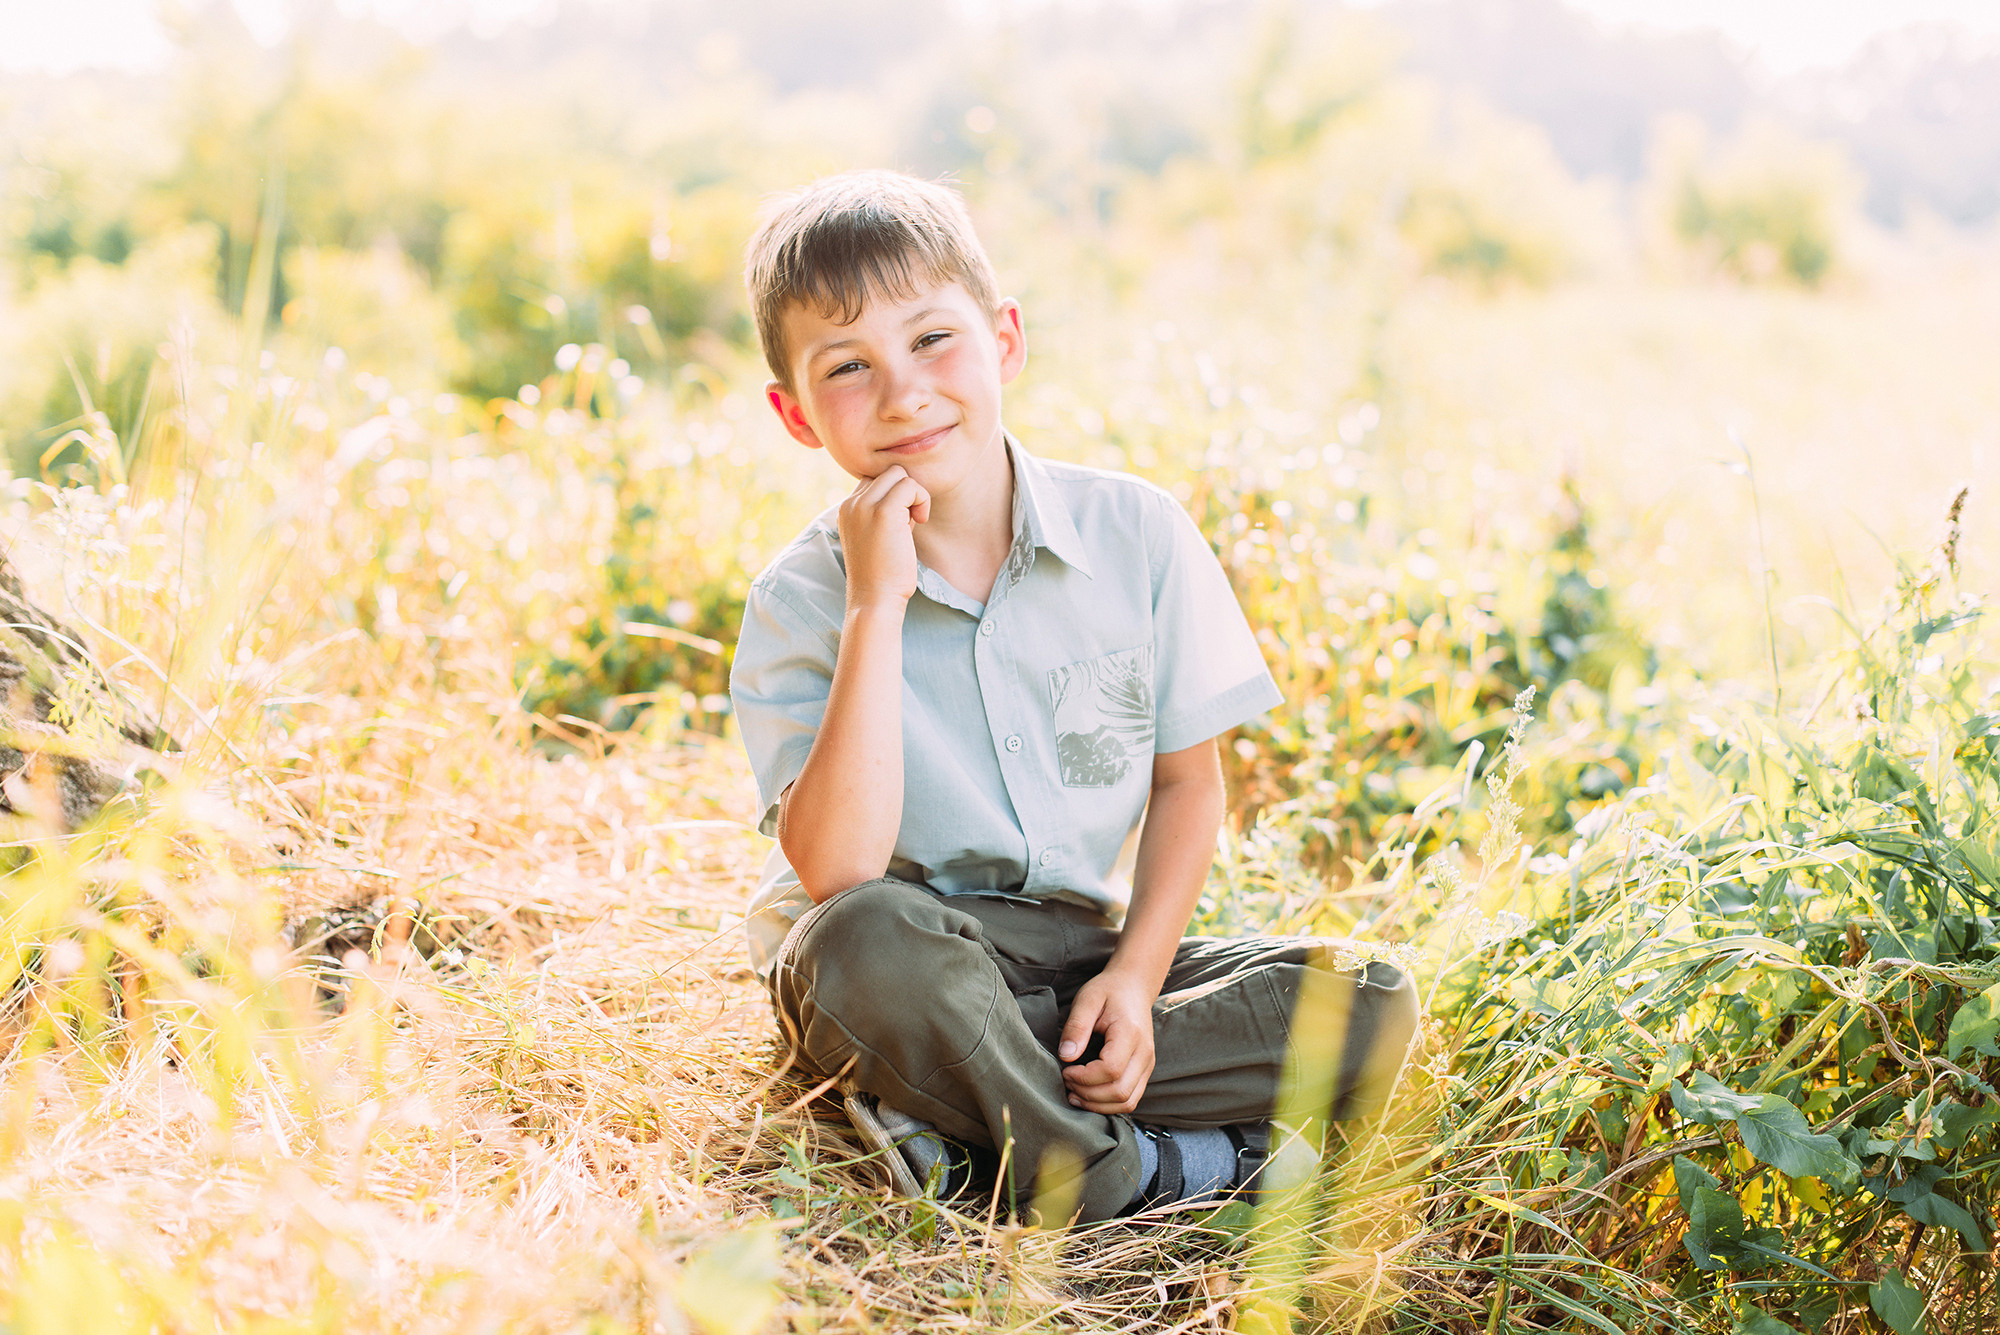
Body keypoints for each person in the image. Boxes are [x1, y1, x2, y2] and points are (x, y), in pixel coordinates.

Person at [727, 169, 1417, 1225]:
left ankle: (966, 1128)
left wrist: (1135, 985)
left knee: (1367, 1003)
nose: (905, 393)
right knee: (852, 952)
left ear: (1003, 338)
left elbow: (1188, 785)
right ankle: (1132, 1173)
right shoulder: (800, 603)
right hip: (912, 960)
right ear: (794, 413)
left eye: (931, 340)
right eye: (848, 366)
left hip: (1076, 957)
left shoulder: (1133, 534)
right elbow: (840, 871)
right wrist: (877, 605)